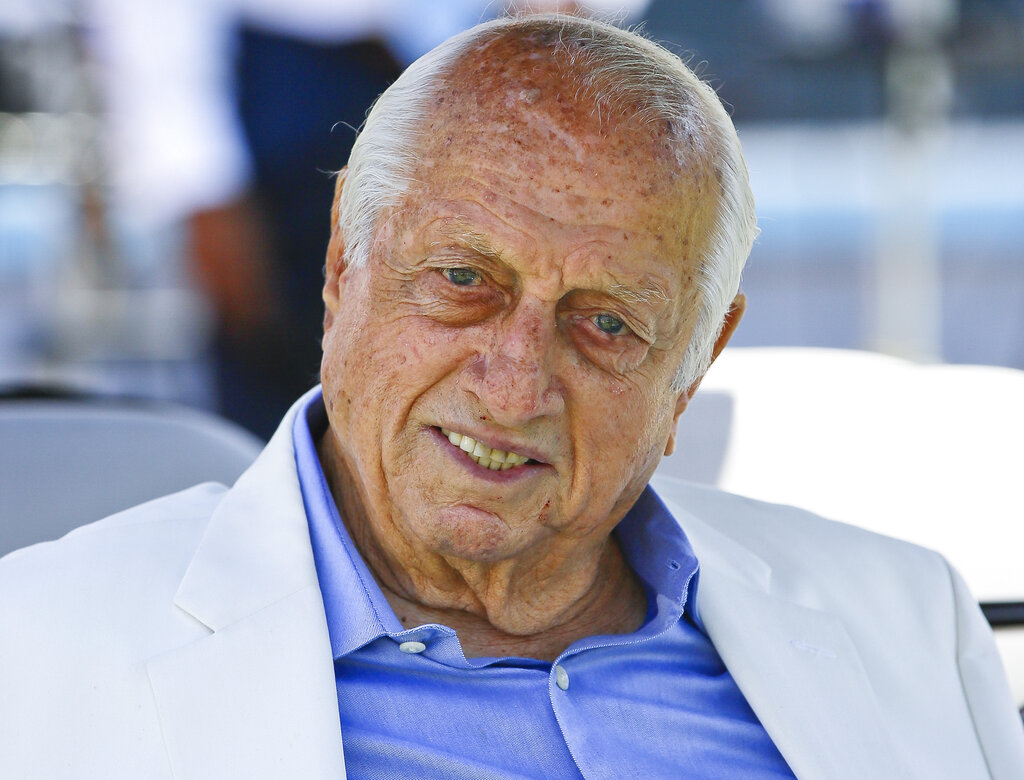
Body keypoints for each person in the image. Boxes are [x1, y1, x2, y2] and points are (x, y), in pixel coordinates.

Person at [2, 14, 1022, 779]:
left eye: (606, 323)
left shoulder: (906, 616)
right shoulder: (39, 650)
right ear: (341, 270)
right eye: (460, 282)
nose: (514, 383)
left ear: (696, 365)